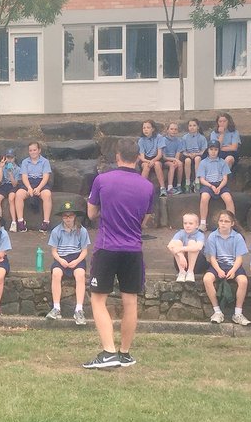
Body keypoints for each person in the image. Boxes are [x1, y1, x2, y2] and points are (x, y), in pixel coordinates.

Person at [82, 137, 154, 370]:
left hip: (107, 247)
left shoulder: (102, 179)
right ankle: (124, 353)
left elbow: (91, 214)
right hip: (133, 249)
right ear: (138, 158)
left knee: (98, 299)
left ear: (117, 157)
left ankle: (108, 352)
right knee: (130, 301)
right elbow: (143, 221)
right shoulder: (147, 186)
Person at [201, 211, 251, 325]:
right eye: (221, 221)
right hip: (218, 265)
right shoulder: (212, 236)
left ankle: (238, 313)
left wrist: (233, 270)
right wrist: (218, 270)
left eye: (226, 221)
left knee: (243, 281)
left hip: (233, 265)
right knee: (207, 279)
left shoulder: (237, 237)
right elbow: (212, 257)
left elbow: (239, 258)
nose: (223, 223)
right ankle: (217, 311)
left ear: (232, 223)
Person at [45, 201, 91, 324]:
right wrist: (60, 260)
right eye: (65, 216)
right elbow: (54, 251)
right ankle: (56, 308)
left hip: (77, 257)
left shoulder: (82, 230)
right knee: (56, 273)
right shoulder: (56, 231)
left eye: (70, 216)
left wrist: (76, 261)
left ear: (75, 216)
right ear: (62, 217)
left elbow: (84, 251)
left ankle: (79, 309)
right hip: (61, 257)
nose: (68, 219)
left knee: (80, 275)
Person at [196, 140, 235, 230]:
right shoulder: (203, 162)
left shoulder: (222, 162)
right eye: (211, 149)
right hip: (208, 184)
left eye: (215, 149)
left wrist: (220, 187)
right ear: (208, 150)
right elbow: (202, 179)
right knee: (204, 197)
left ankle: (231, 222)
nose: (213, 152)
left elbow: (225, 178)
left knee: (228, 199)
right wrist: (211, 186)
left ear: (218, 151)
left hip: (221, 184)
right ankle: (203, 223)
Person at [15, 141, 53, 232]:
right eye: (30, 150)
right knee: (19, 194)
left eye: (34, 150)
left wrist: (39, 188)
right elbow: (24, 176)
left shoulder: (45, 162)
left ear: (39, 150)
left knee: (47, 194)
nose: (32, 152)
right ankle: (20, 221)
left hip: (41, 182)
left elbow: (46, 177)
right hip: (28, 182)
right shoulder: (25, 162)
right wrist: (29, 188)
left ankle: (46, 222)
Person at [167, 212, 205, 282]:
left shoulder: (199, 234)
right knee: (177, 242)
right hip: (181, 264)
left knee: (191, 242)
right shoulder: (180, 233)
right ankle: (182, 272)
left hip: (197, 264)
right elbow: (170, 245)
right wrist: (181, 255)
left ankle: (190, 272)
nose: (187, 226)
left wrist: (180, 249)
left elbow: (198, 247)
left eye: (190, 223)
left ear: (197, 225)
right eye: (185, 223)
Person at [0, 148, 22, 230]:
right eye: (8, 157)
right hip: (4, 185)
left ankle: (14, 222)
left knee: (11, 198)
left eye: (11, 158)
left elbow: (14, 184)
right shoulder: (4, 167)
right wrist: (1, 167)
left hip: (13, 186)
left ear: (14, 158)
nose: (10, 160)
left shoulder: (18, 169)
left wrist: (10, 173)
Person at [181, 118, 208, 194]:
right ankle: (187, 182)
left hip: (198, 155)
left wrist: (196, 154)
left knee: (197, 159)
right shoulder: (184, 138)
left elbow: (203, 150)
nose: (192, 127)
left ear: (198, 127)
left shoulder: (202, 138)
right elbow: (183, 151)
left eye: (194, 125)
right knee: (187, 160)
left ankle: (197, 181)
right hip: (188, 155)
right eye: (190, 126)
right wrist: (188, 154)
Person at [137, 119, 163, 194]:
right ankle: (141, 189)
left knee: (157, 164)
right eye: (144, 128)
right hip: (146, 159)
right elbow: (142, 157)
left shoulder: (159, 137)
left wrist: (153, 161)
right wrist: (149, 161)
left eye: (148, 128)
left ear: (153, 129)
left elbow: (159, 154)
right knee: (146, 166)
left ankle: (162, 188)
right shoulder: (141, 140)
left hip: (156, 158)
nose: (146, 130)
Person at [160, 121, 184, 195]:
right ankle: (170, 187)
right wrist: (175, 160)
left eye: (175, 129)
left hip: (174, 159)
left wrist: (176, 161)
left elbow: (177, 154)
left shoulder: (179, 141)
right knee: (172, 165)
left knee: (180, 164)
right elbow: (164, 157)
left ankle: (178, 185)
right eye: (171, 129)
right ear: (167, 130)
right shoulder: (163, 140)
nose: (173, 131)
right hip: (165, 161)